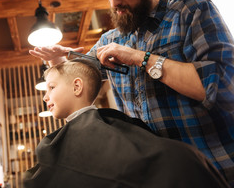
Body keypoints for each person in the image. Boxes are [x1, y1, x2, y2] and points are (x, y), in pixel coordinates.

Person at [29, 0, 234, 185]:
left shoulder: (192, 12)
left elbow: (224, 89)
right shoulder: (109, 41)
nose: (114, 0)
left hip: (219, 172)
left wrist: (142, 59)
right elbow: (78, 83)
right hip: (163, 178)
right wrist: (58, 62)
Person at [23, 59, 229, 188]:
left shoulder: (61, 143)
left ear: (77, 86)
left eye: (51, 87)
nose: (45, 97)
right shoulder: (116, 126)